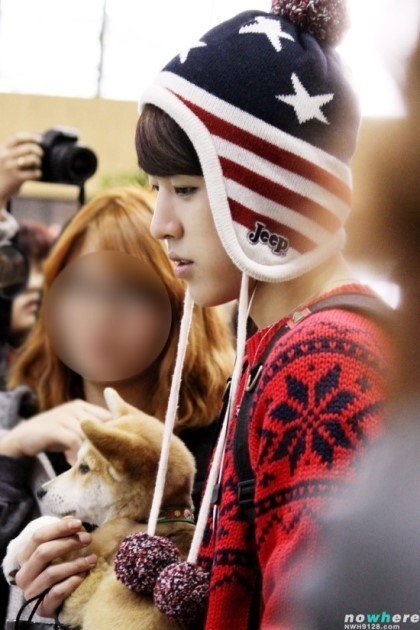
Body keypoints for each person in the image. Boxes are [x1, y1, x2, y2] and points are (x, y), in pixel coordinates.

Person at [1, 186, 233, 623]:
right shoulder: (14, 422)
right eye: (81, 287)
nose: (102, 315)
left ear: (180, 306)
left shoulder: (224, 446)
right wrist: (10, 456)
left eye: (134, 292)